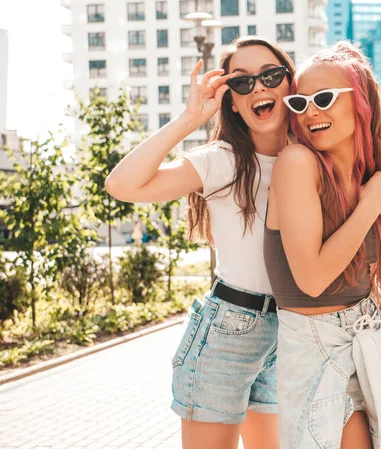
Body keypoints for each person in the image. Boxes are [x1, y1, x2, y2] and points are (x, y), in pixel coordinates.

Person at [105, 37, 296, 449]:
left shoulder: (308, 159)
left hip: (290, 329)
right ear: (231, 101)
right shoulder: (222, 160)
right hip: (230, 330)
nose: (259, 88)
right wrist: (190, 118)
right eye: (242, 83)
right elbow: (121, 185)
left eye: (271, 75)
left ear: (290, 83)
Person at [264, 42, 381, 448]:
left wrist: (371, 151)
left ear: (360, 102)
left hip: (369, 331)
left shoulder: (365, 169)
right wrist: (368, 209)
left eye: (324, 98)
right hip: (316, 346)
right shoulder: (297, 164)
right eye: (299, 102)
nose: (310, 112)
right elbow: (311, 279)